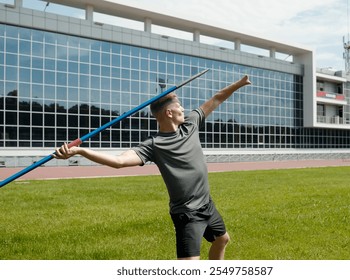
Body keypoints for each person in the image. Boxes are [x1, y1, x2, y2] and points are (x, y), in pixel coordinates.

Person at [54, 74, 251, 259]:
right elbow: (120, 162)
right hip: (187, 213)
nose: (183, 109)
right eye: (179, 106)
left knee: (222, 239)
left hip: (207, 203)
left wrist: (239, 84)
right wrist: (81, 151)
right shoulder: (154, 144)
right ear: (169, 112)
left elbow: (217, 98)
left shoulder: (190, 123)